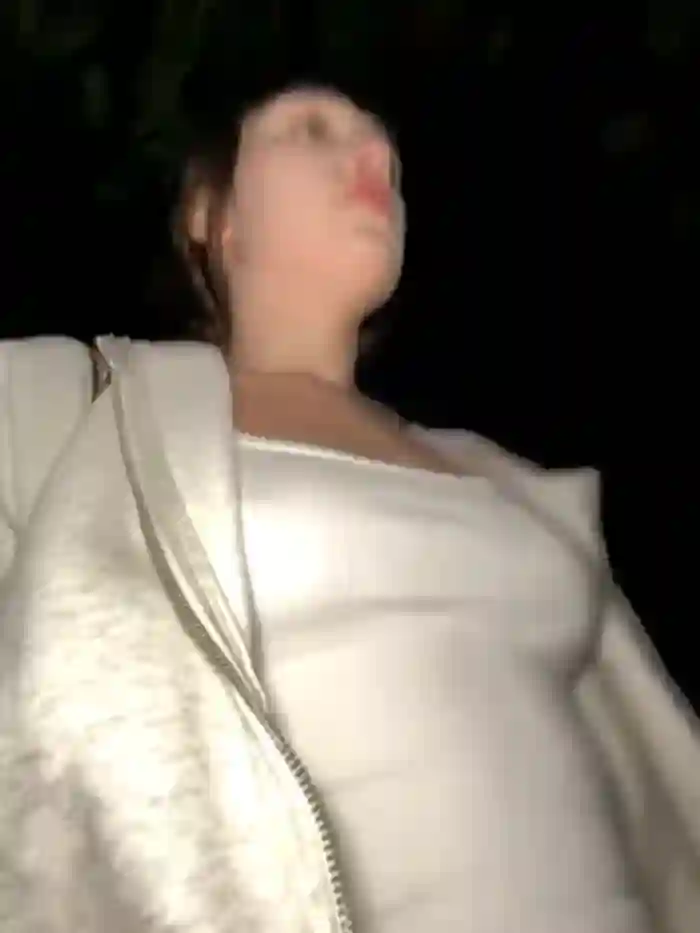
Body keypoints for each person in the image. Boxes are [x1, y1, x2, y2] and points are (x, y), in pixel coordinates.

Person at [0, 83, 698, 933]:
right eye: (311, 131)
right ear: (211, 214)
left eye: (384, 152)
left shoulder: (501, 478)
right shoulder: (79, 412)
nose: (375, 158)